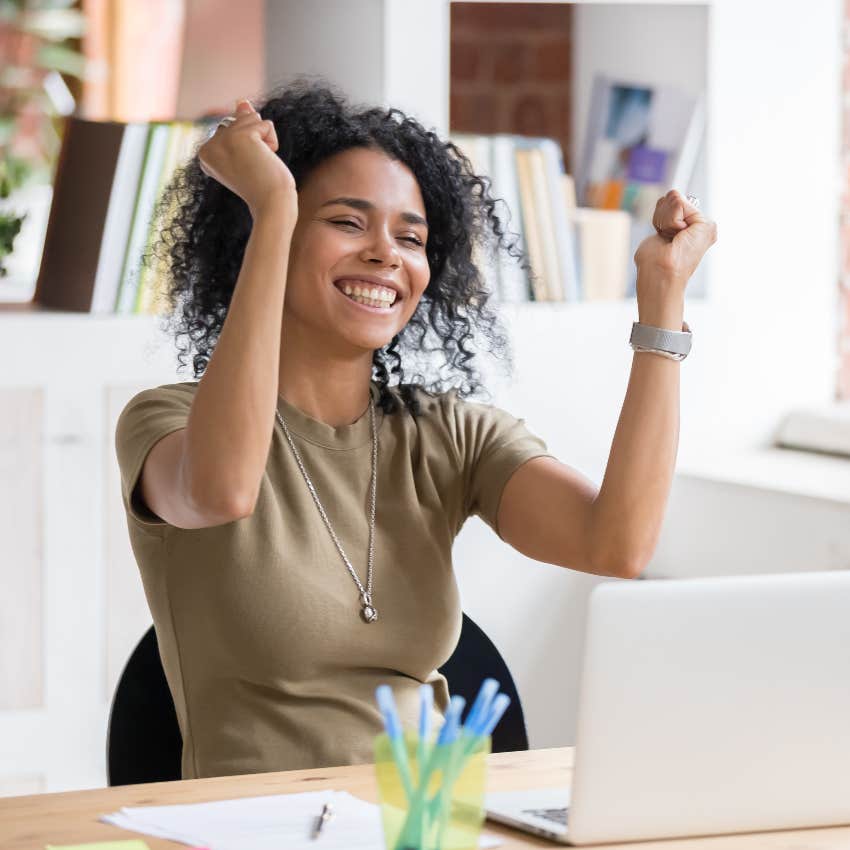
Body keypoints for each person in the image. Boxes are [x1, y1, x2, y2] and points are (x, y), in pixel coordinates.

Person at [115, 78, 717, 781]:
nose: (385, 253)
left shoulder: (446, 433)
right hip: (254, 826)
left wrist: (662, 300)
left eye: (411, 236)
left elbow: (617, 544)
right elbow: (221, 491)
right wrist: (274, 205)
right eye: (345, 221)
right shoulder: (167, 420)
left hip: (427, 820)